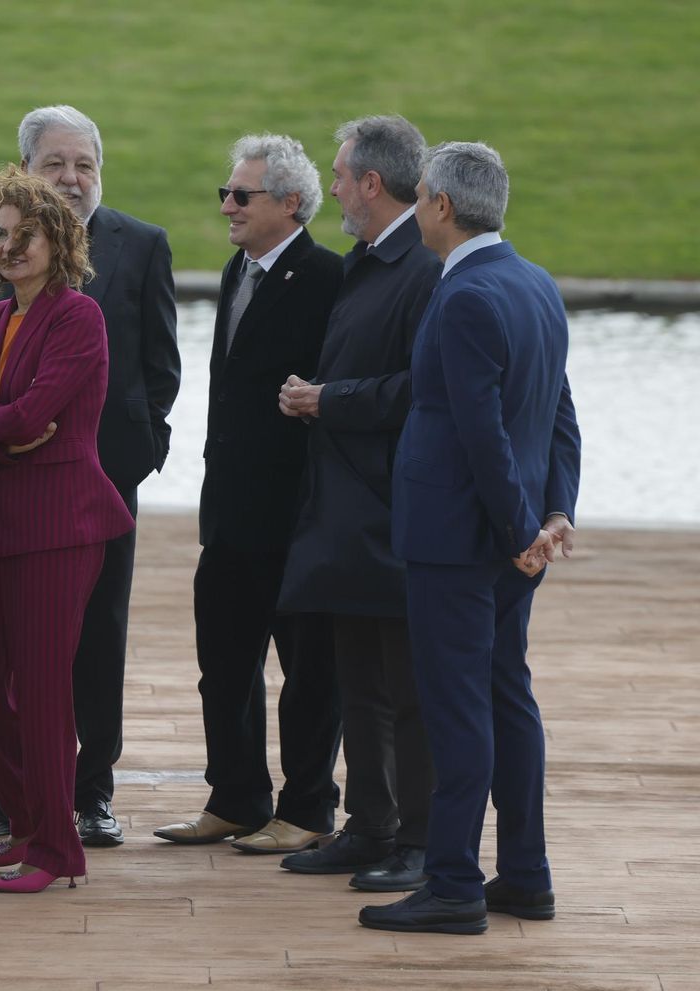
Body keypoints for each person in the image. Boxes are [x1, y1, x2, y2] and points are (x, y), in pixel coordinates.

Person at [0, 105, 180, 847]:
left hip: (90, 492)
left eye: (85, 166)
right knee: (0, 654)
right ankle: (11, 794)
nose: (72, 179)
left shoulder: (141, 244)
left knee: (94, 639)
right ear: (23, 172)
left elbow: (160, 372)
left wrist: (132, 458)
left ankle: (88, 790)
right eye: (55, 165)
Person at [361, 142, 579, 935]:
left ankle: (452, 881)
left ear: (444, 206)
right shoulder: (536, 284)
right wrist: (555, 515)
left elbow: (483, 435)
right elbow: (560, 414)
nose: (417, 209)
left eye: (420, 197)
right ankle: (524, 874)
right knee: (506, 699)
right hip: (512, 540)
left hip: (460, 542)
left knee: (459, 712)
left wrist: (525, 526)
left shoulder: (463, 298)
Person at [155, 134, 344, 855]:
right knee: (225, 665)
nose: (227, 206)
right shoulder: (240, 270)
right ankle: (235, 796)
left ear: (291, 204)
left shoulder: (328, 277)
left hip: (296, 516)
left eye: (242, 195)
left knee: (308, 673)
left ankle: (307, 808)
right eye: (225, 193)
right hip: (230, 513)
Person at [0, 167, 136, 893]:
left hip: (61, 523)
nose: (9, 247)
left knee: (45, 689)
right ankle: (27, 819)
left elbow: (31, 416)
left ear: (58, 240)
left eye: (24, 234)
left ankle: (59, 846)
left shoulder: (78, 316)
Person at [275, 117, 442, 893]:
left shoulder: (425, 267)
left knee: (406, 692)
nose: (333, 188)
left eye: (341, 176)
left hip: (394, 515)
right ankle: (370, 825)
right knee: (362, 686)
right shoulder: (370, 259)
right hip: (348, 518)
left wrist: (326, 399)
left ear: (372, 184)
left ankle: (418, 840)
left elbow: (425, 389)